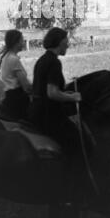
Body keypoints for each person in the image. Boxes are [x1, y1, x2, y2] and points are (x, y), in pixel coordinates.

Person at [29, 27, 82, 156]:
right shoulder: (54, 62)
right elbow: (52, 93)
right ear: (59, 42)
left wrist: (65, 93)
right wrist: (73, 97)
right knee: (76, 138)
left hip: (36, 110)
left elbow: (44, 89)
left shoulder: (43, 59)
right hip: (48, 115)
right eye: (66, 41)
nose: (68, 45)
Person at [0, 29, 32, 121]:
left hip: (10, 97)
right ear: (17, 42)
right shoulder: (14, 59)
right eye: (22, 40)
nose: (23, 43)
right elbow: (26, 87)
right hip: (18, 100)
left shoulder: (6, 57)